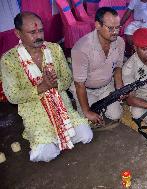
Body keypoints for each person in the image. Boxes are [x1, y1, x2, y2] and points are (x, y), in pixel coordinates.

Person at [0, 12, 93, 162]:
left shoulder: (54, 49)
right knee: (45, 154)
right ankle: (53, 140)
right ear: (17, 33)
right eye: (32, 32)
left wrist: (56, 84)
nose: (39, 36)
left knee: (86, 135)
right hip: (36, 114)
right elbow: (12, 96)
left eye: (41, 30)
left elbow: (68, 77)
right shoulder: (8, 60)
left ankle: (58, 139)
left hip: (62, 106)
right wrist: (41, 87)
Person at [70, 7, 125, 125]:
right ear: (97, 25)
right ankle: (81, 104)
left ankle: (99, 104)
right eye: (110, 28)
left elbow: (118, 67)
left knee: (116, 115)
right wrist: (87, 111)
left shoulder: (120, 42)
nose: (115, 32)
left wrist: (119, 88)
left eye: (118, 27)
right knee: (89, 121)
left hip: (106, 86)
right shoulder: (82, 48)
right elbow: (79, 84)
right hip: (86, 90)